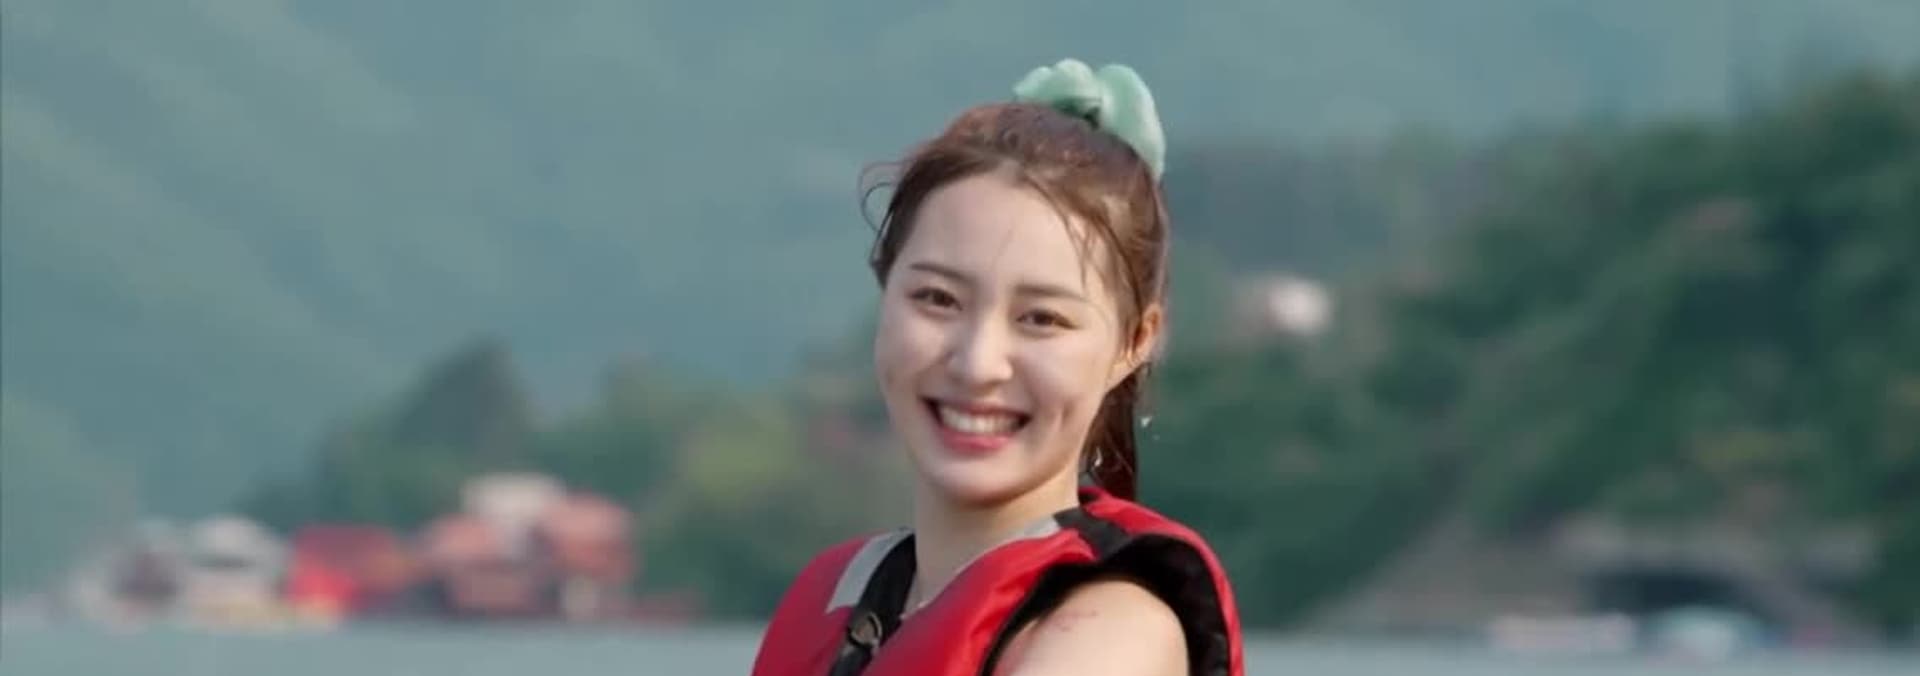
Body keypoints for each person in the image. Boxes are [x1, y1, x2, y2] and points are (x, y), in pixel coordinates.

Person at [750, 58, 1244, 676]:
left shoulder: (1110, 638)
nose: (978, 364)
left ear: (1134, 342)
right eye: (938, 299)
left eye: (1042, 318)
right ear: (885, 289)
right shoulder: (845, 596)